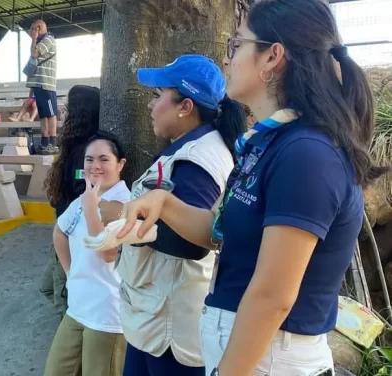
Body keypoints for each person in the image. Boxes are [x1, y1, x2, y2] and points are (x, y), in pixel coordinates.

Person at [119, 1, 386, 375]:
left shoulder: (307, 154)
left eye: (237, 44)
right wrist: (162, 201)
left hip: (271, 358)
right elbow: (216, 232)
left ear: (272, 57)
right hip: (251, 352)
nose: (228, 59)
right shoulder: (264, 144)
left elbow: (272, 297)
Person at [99, 55, 246, 376]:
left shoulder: (196, 160)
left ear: (185, 106)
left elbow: (192, 244)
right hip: (154, 316)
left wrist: (120, 215)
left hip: (169, 329)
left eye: (157, 95)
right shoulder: (192, 148)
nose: (150, 106)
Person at [44, 131, 130, 376]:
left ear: (120, 164)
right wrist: (71, 273)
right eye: (89, 159)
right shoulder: (85, 197)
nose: (95, 166)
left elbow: (108, 254)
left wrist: (92, 210)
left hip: (107, 315)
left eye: (104, 159)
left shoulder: (126, 203)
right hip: (78, 308)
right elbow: (59, 232)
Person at [40, 85, 101, 318]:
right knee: (48, 287)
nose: (63, 111)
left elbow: (83, 194)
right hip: (64, 233)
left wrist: (67, 234)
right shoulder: (77, 146)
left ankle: (74, 347)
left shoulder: (86, 151)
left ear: (80, 111)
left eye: (68, 106)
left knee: (64, 301)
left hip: (71, 236)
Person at [26, 20, 59, 155]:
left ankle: (53, 142)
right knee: (43, 115)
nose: (31, 32)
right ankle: (44, 142)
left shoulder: (49, 40)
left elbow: (34, 54)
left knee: (50, 114)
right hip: (38, 84)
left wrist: (34, 39)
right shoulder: (41, 41)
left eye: (33, 29)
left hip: (46, 84)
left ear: (39, 29)